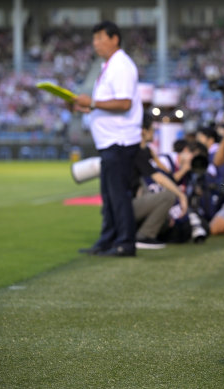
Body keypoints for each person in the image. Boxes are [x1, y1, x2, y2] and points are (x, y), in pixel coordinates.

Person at [74, 21, 142, 257]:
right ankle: (109, 240)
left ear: (115, 39)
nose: (95, 43)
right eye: (94, 39)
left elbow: (124, 103)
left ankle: (124, 242)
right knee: (109, 195)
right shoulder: (110, 65)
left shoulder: (121, 66)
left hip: (119, 141)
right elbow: (109, 104)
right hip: (111, 141)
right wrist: (88, 108)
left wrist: (91, 103)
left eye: (100, 38)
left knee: (118, 194)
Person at [132, 113, 188, 249]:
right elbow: (158, 176)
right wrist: (181, 195)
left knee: (164, 217)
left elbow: (164, 172)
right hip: (125, 207)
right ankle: (144, 236)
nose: (154, 134)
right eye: (152, 130)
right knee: (167, 196)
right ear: (144, 132)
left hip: (125, 206)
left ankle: (138, 233)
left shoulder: (143, 151)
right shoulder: (136, 151)